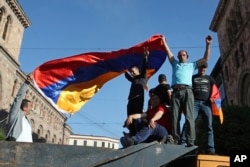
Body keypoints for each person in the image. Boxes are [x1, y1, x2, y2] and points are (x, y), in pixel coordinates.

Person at [162, 35, 212, 146]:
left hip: (188, 91)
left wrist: (208, 45)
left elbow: (205, 59)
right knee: (175, 117)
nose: (181, 56)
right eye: (179, 55)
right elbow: (168, 52)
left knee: (189, 117)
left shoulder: (192, 65)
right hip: (175, 92)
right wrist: (164, 42)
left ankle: (190, 140)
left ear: (187, 56)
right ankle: (175, 139)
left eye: (183, 55)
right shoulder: (175, 64)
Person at [192, 62, 216, 154]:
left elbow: (215, 90)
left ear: (206, 68)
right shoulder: (193, 77)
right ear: (198, 68)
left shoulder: (210, 78)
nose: (203, 69)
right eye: (201, 67)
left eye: (204, 67)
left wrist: (213, 98)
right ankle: (184, 144)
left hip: (206, 104)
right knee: (188, 123)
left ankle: (211, 149)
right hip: (195, 103)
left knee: (209, 127)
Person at [124, 47, 149, 135]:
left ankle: (138, 133)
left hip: (138, 99)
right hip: (131, 100)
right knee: (129, 117)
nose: (132, 73)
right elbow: (127, 76)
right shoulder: (133, 79)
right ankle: (131, 132)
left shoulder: (142, 77)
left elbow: (145, 67)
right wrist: (124, 69)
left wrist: (145, 58)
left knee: (136, 117)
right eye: (131, 72)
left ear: (138, 71)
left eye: (134, 71)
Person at [6, 74, 33, 142]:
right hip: (15, 148)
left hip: (28, 150)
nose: (31, 109)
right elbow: (19, 97)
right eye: (30, 106)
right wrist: (27, 82)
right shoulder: (15, 115)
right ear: (24, 107)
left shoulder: (28, 121)